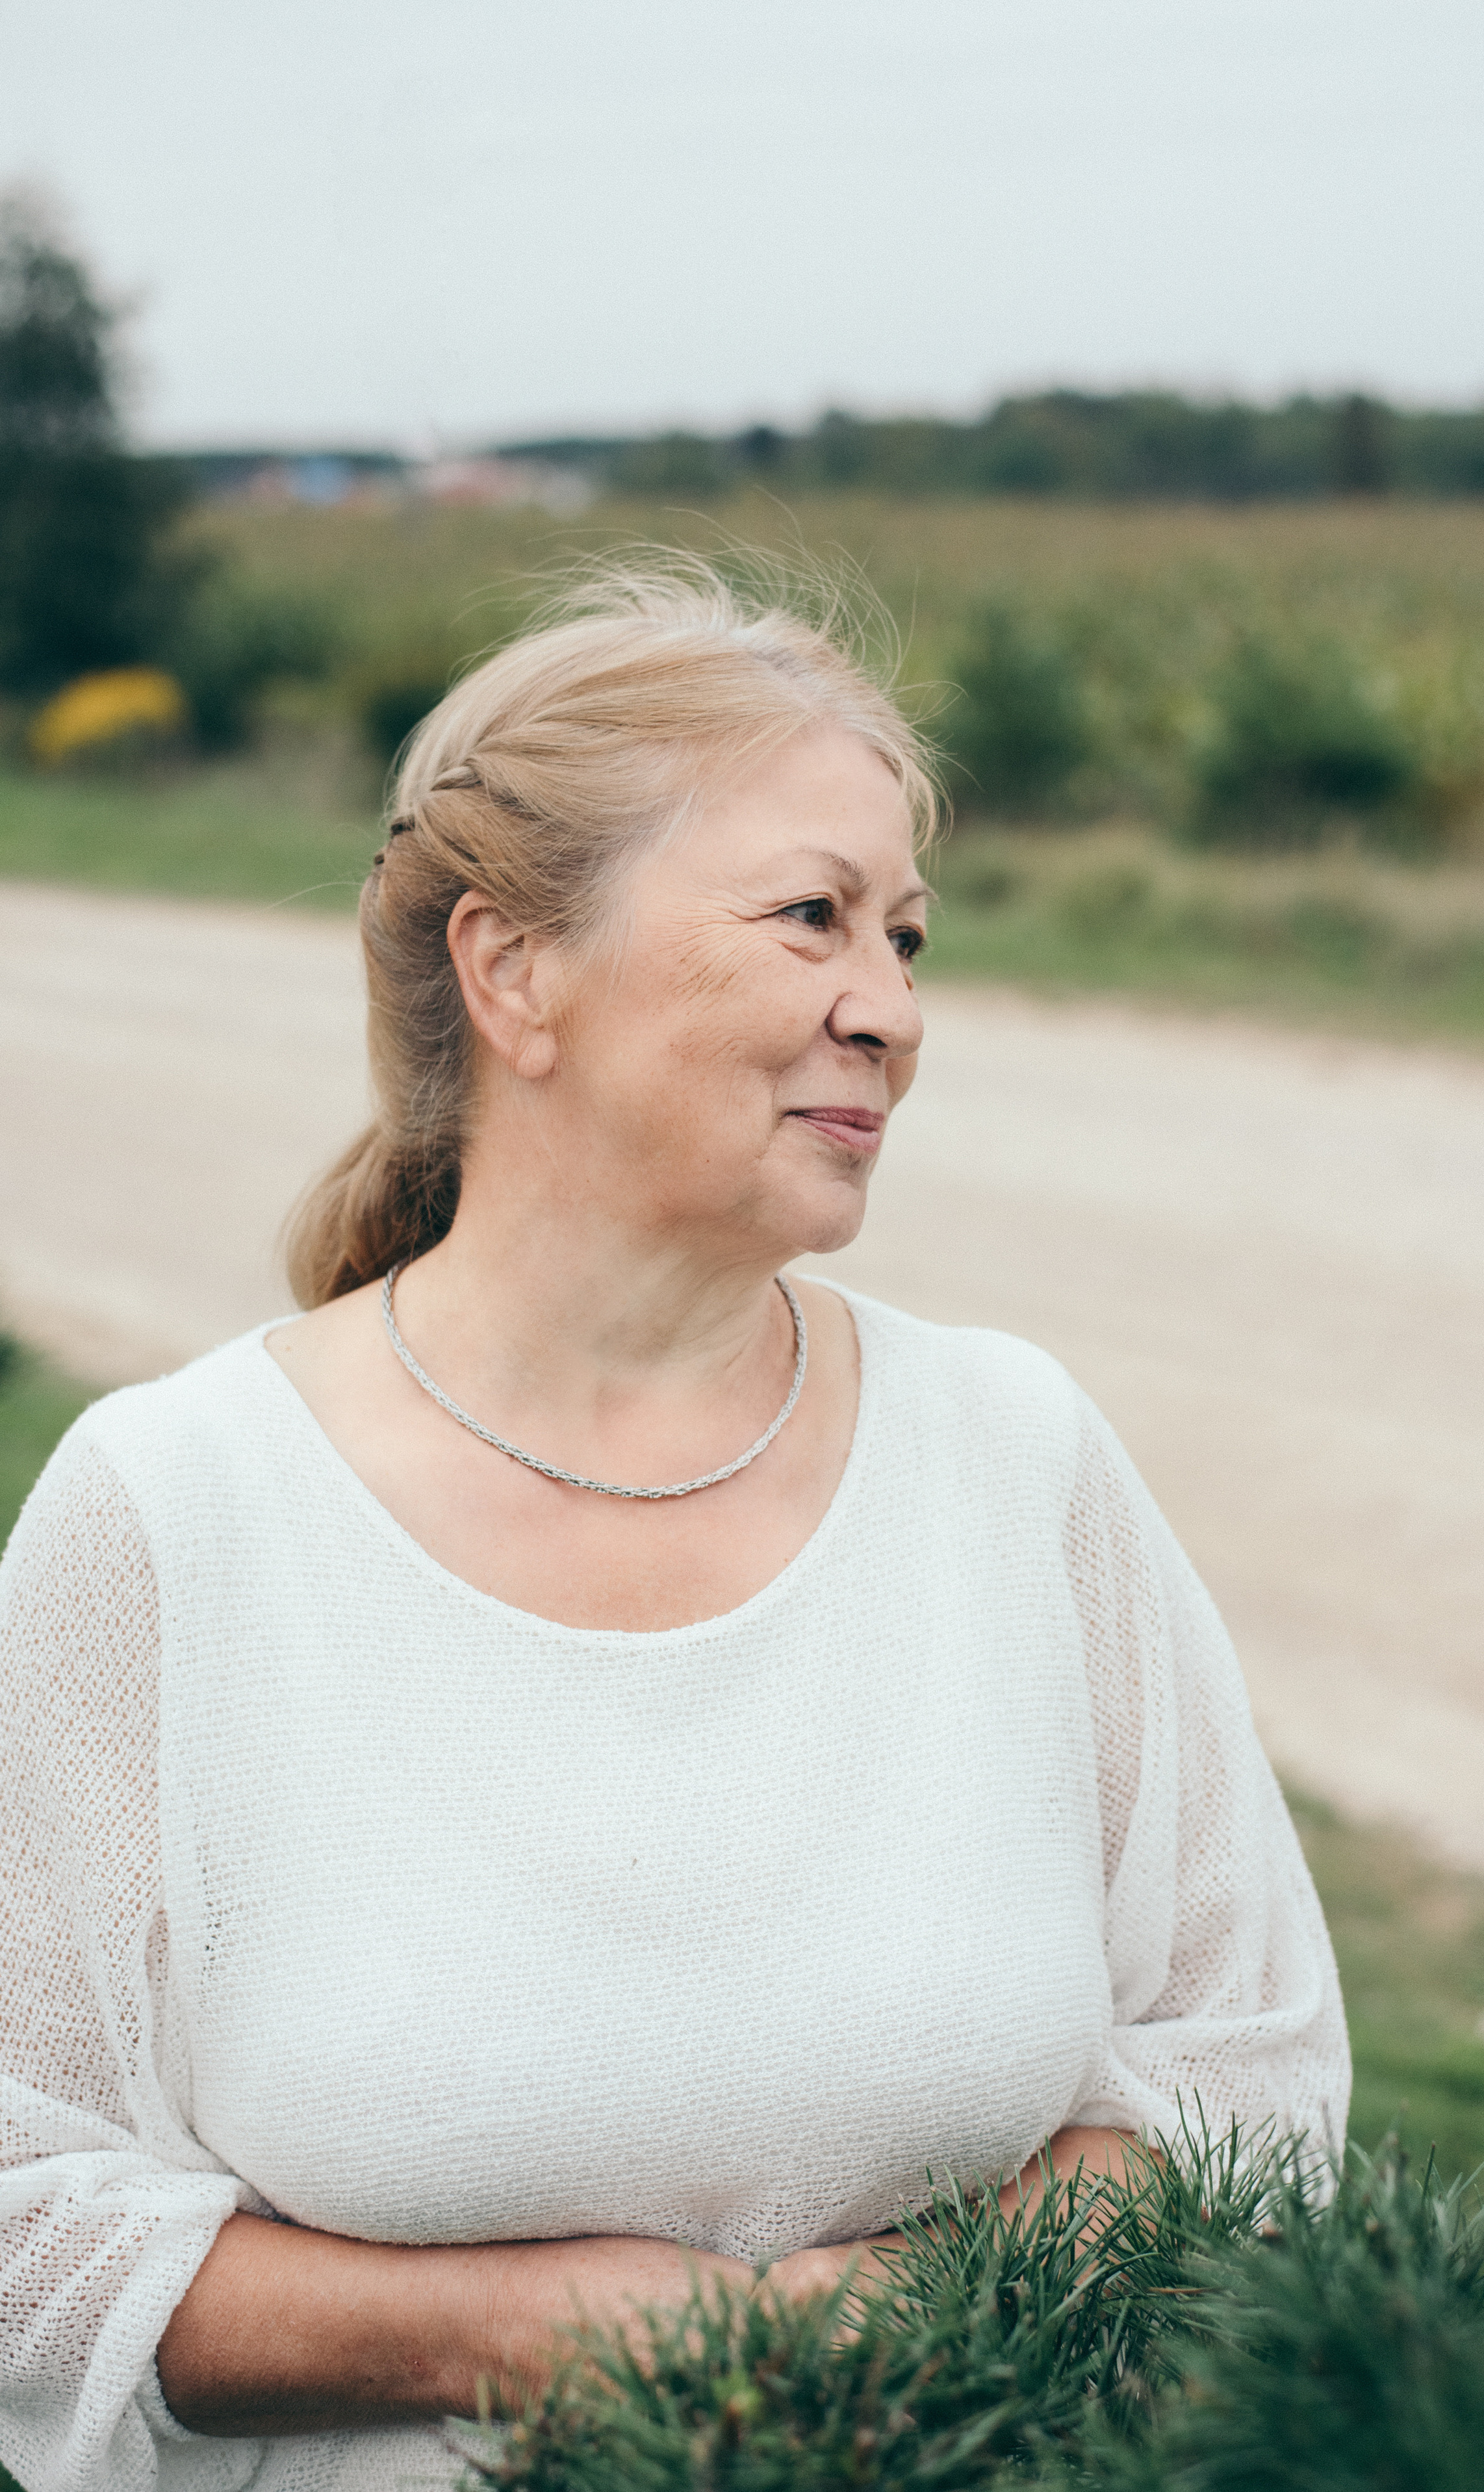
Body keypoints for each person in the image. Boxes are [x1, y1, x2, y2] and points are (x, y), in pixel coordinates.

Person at [0, 560, 1348, 2492]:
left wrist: (923, 2305)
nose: (890, 1010)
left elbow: (1253, 2067)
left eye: (906, 936)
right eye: (812, 917)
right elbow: (25, 2222)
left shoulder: (1016, 1456)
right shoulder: (172, 1512)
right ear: (514, 970)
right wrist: (527, 2337)